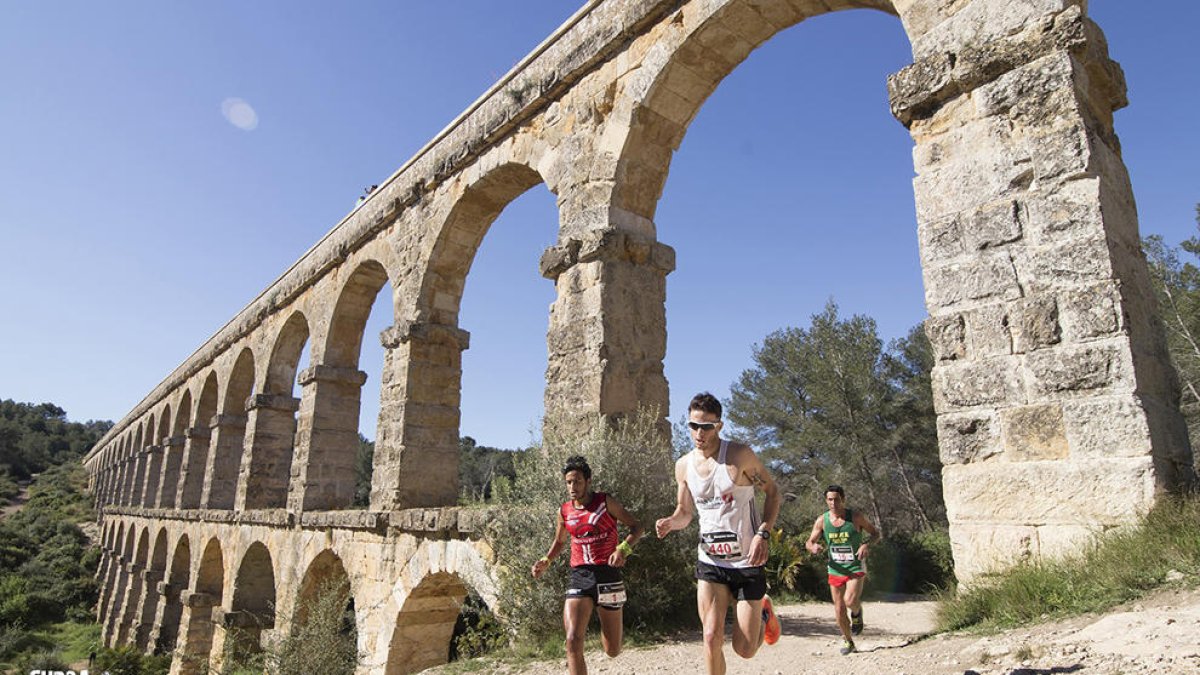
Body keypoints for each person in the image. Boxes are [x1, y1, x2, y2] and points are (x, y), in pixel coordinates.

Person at [655, 392, 782, 675]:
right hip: (711, 562)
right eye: (693, 426)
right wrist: (670, 522)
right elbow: (684, 512)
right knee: (711, 637)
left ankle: (764, 612)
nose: (699, 433)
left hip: (747, 561)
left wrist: (763, 533)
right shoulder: (683, 466)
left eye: (706, 427)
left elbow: (773, 492)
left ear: (719, 426)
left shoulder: (739, 457)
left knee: (745, 649)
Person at [532, 455, 643, 675]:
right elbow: (560, 541)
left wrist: (622, 549)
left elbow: (637, 527)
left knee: (612, 650)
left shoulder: (604, 502)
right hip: (580, 575)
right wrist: (546, 560)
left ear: (588, 481)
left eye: (577, 481)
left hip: (608, 575)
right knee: (572, 639)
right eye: (568, 482)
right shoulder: (564, 511)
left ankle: (608, 632)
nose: (572, 487)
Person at [805, 484, 881, 655]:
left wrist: (865, 545)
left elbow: (875, 534)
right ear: (826, 501)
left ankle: (857, 612)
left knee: (849, 600)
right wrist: (813, 547)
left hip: (855, 566)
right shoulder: (822, 520)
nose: (833, 503)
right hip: (835, 569)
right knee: (839, 609)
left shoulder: (855, 517)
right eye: (830, 500)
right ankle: (848, 641)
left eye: (837, 499)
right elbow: (809, 542)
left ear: (843, 499)